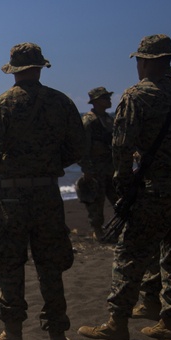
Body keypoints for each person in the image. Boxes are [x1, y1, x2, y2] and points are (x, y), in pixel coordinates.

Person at [78, 34, 171, 340]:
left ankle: (116, 322)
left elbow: (121, 147)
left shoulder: (136, 96)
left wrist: (123, 185)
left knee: (129, 252)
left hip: (154, 189)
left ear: (145, 61)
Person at [0, 42, 84, 340]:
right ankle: (58, 337)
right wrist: (49, 162)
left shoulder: (2, 104)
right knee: (50, 264)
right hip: (48, 191)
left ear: (13, 70)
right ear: (39, 67)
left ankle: (13, 336)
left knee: (9, 263)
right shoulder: (61, 102)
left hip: (13, 194)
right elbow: (79, 146)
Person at [78, 87, 118, 241]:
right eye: (104, 98)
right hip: (96, 168)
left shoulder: (109, 119)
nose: (108, 100)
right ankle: (97, 231)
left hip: (110, 166)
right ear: (95, 101)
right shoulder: (89, 120)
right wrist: (86, 169)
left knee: (118, 199)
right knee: (96, 202)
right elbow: (83, 147)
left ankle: (117, 229)